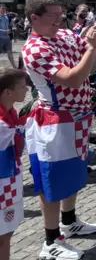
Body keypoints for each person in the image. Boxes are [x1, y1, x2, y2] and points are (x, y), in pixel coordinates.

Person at [22, 0, 96, 259]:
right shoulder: (34, 48)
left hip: (77, 117)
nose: (59, 20)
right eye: (52, 16)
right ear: (34, 18)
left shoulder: (62, 34)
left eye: (60, 14)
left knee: (73, 174)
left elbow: (95, 58)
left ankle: (69, 222)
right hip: (54, 121)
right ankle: (50, 241)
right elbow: (72, 79)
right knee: (52, 181)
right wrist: (90, 48)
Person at [0, 69, 27, 260]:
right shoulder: (2, 124)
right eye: (22, 87)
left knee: (7, 232)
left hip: (11, 176)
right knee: (2, 235)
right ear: (7, 92)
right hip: (3, 182)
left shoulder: (11, 113)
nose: (26, 90)